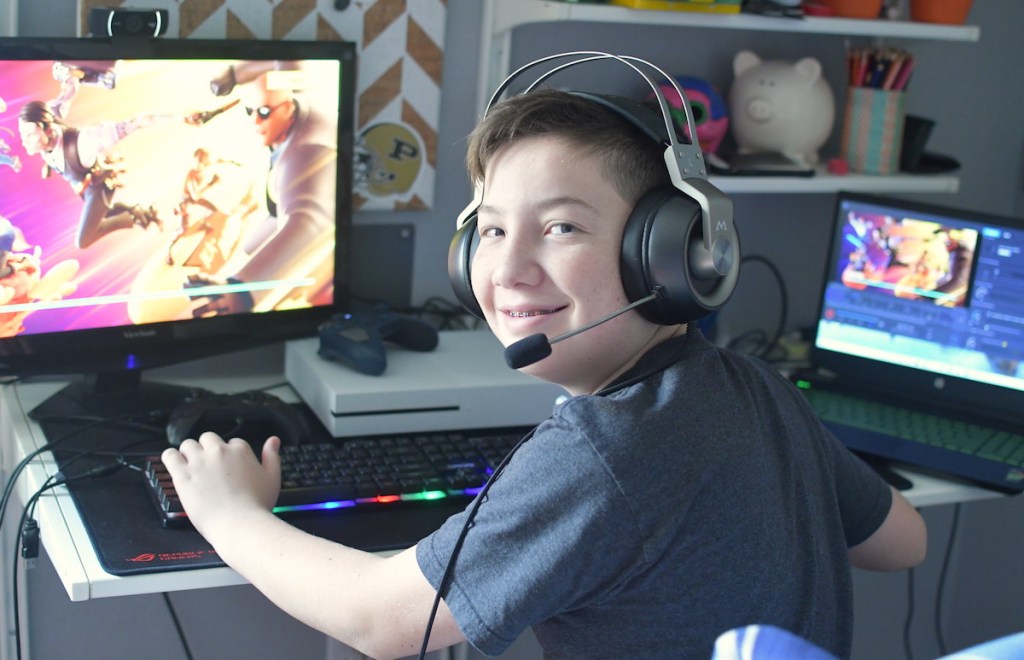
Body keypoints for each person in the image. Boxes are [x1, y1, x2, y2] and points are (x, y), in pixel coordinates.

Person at [161, 81, 927, 658]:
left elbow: (382, 619)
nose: (509, 269)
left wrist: (230, 513)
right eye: (491, 230)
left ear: (670, 254)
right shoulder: (748, 386)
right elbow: (902, 542)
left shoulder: (605, 451)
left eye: (561, 226)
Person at [185, 62, 339, 316]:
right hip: (279, 212)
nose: (255, 121)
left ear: (288, 109)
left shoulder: (307, 152)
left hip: (323, 261)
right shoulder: (292, 92)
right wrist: (236, 75)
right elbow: (285, 62)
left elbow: (309, 223)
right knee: (248, 245)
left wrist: (243, 291)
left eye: (265, 112)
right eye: (250, 110)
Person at [16, 71, 164, 249]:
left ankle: (130, 218)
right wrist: (70, 75)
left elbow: (122, 128)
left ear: (48, 130)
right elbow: (68, 91)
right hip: (84, 189)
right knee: (106, 213)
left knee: (83, 240)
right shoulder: (48, 125)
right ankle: (137, 211)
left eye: (30, 135)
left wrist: (170, 118)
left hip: (97, 188)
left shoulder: (81, 143)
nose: (25, 142)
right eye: (23, 135)